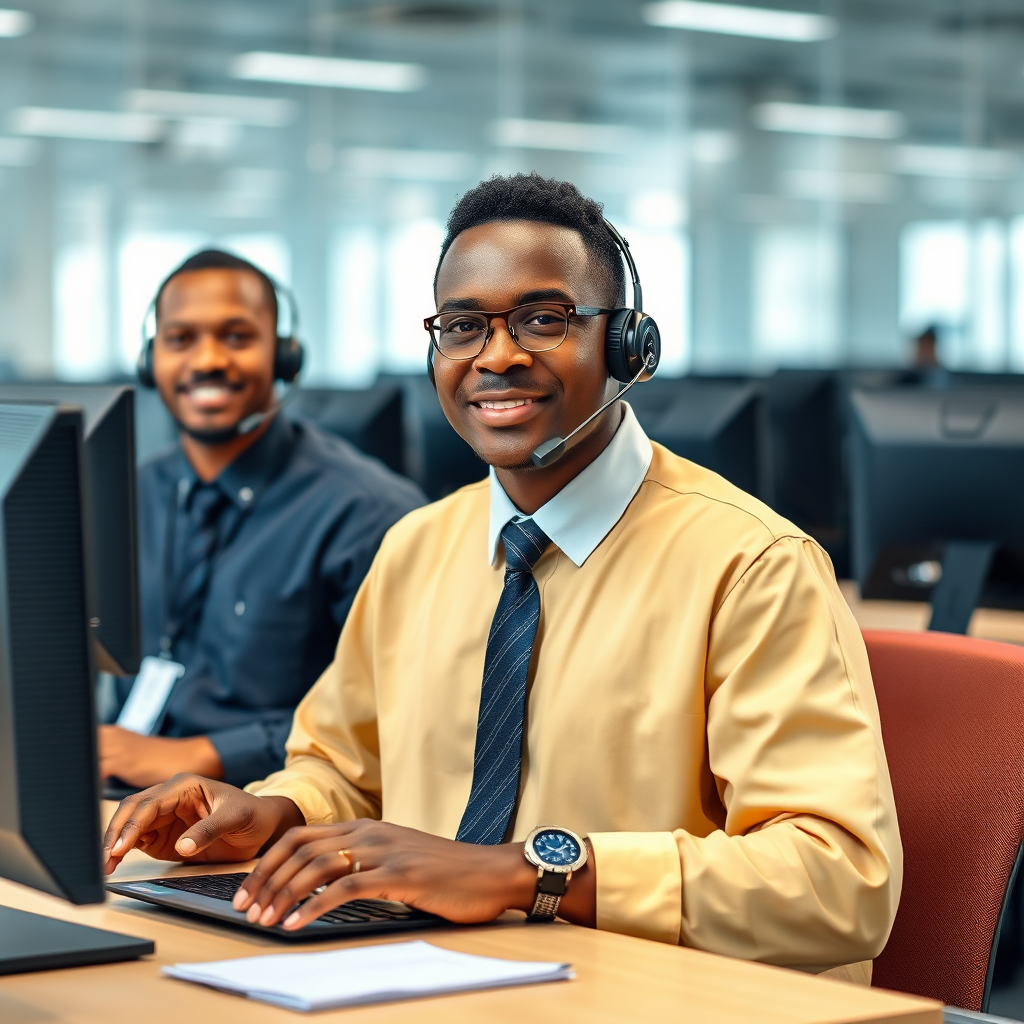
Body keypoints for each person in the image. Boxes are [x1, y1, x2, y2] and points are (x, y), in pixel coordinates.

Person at [104, 177, 901, 977]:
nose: (498, 355)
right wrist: (273, 813)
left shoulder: (751, 565)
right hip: (426, 972)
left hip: (649, 991)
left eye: (543, 320)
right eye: (463, 326)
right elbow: (341, 769)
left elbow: (839, 879)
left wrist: (526, 873)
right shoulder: (416, 547)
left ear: (626, 345)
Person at [99, 250, 424, 789]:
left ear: (283, 358)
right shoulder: (131, 494)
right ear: (149, 361)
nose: (206, 360)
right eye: (180, 339)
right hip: (124, 800)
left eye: (236, 337)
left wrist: (203, 754)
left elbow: (394, 714)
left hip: (274, 809)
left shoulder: (366, 513)